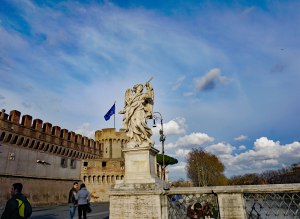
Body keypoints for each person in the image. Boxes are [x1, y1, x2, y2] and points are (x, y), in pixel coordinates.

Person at [119, 78, 154, 148]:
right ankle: (137, 140)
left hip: (139, 111)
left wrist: (147, 87)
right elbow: (128, 105)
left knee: (139, 124)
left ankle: (146, 138)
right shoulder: (132, 96)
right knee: (133, 127)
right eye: (140, 87)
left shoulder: (143, 95)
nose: (141, 88)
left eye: (141, 87)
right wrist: (124, 111)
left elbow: (149, 96)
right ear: (137, 88)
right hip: (132, 113)